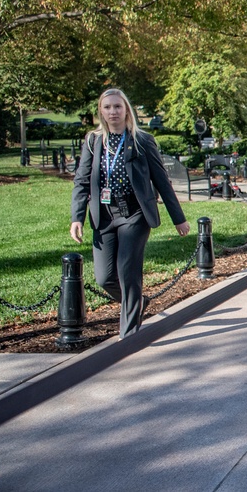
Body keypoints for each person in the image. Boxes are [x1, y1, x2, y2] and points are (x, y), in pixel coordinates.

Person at [70, 88, 190, 338]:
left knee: (127, 271)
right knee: (104, 278)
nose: (113, 112)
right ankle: (136, 303)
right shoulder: (93, 141)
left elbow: (161, 181)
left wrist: (178, 218)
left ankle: (129, 336)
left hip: (134, 214)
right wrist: (77, 218)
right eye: (107, 107)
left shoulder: (142, 140)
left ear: (126, 109)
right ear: (100, 111)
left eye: (117, 106)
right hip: (103, 216)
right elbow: (81, 182)